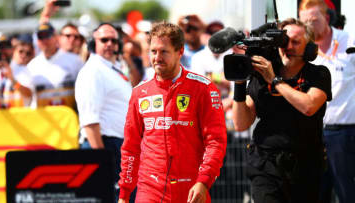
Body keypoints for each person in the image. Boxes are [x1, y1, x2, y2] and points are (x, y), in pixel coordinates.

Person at [118, 21, 227, 203]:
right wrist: (124, 194)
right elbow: (131, 147)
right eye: (153, 51)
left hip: (191, 189)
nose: (157, 57)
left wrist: (204, 181)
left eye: (164, 51)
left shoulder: (203, 88)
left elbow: (215, 141)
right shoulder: (139, 92)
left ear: (180, 52)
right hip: (149, 190)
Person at [232, 18, 332, 203]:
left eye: (296, 42)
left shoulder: (318, 74)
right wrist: (239, 84)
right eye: (285, 41)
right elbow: (241, 123)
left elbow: (308, 106)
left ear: (309, 48)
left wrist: (274, 80)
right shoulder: (262, 76)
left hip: (306, 167)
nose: (289, 47)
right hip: (266, 164)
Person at [299, 1, 355, 203]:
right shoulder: (301, 49)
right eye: (304, 21)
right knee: (315, 193)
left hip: (344, 134)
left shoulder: (350, 41)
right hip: (312, 134)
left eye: (314, 20)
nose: (309, 25)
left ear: (327, 18)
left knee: (347, 192)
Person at [75, 23, 133, 202]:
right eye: (104, 40)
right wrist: (102, 160)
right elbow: (89, 120)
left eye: (114, 40)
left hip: (118, 146)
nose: (109, 44)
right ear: (94, 43)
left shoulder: (112, 69)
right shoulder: (92, 71)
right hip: (104, 146)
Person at [27, 22, 83, 108]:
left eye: (48, 36)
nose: (45, 40)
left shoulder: (75, 60)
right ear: (37, 41)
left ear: (56, 37)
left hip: (69, 117)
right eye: (41, 37)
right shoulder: (32, 65)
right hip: (44, 118)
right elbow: (29, 97)